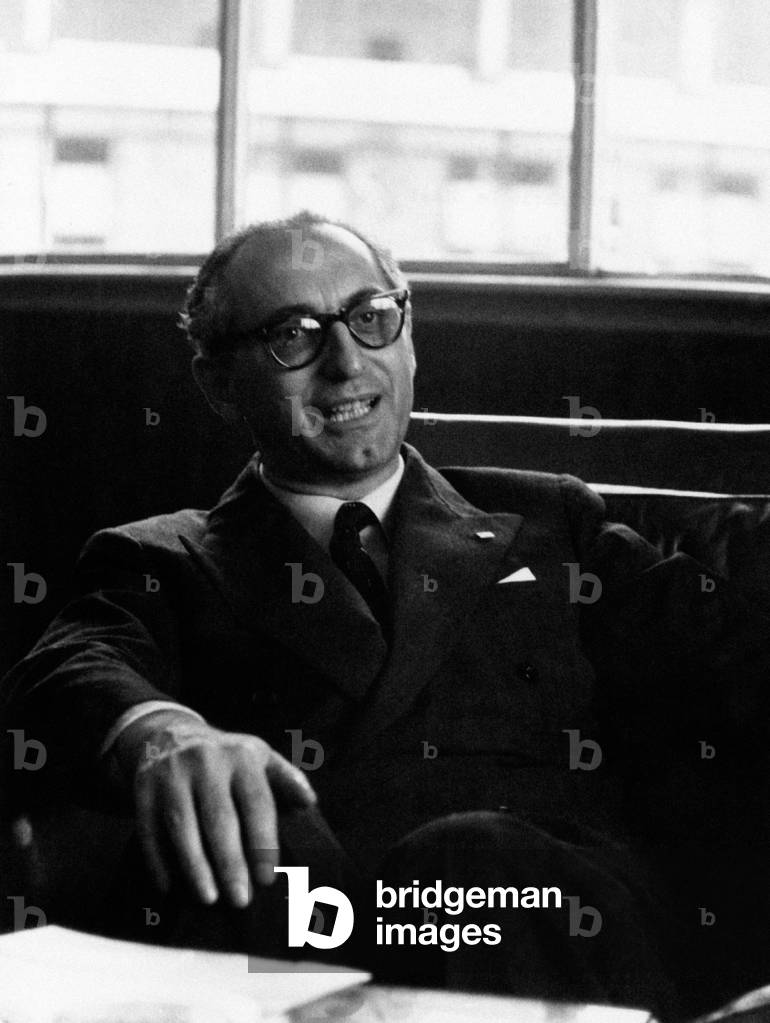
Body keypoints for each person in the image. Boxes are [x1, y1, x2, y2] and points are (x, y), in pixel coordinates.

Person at [1, 212, 768, 1019]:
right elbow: (68, 669)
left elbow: (740, 661)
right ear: (218, 382)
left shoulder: (551, 521)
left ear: (409, 338)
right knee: (260, 858)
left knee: (467, 862)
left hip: (543, 934)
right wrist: (163, 733)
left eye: (371, 317)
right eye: (292, 335)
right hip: (298, 941)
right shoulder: (163, 556)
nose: (346, 362)